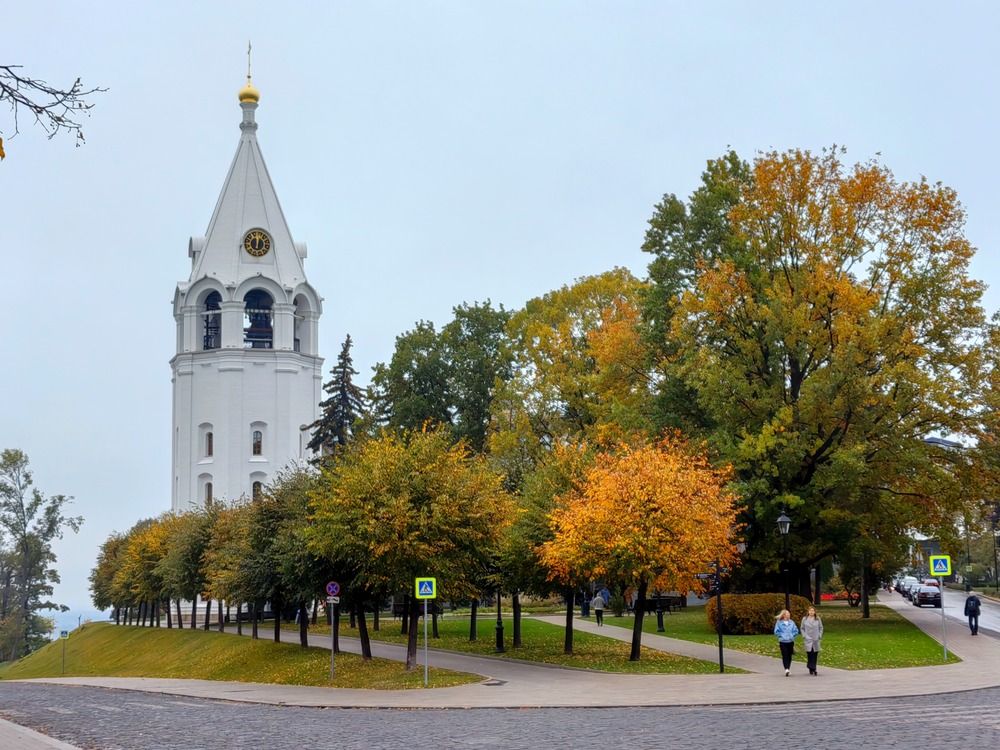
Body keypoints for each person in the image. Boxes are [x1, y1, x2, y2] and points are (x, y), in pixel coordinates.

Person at [773, 609, 799, 676]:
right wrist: (781, 636)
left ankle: (788, 668)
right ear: (784, 615)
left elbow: (796, 630)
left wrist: (792, 636)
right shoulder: (779, 622)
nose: (789, 615)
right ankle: (786, 669)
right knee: (785, 655)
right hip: (783, 642)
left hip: (790, 641)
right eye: (787, 613)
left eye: (789, 614)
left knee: (789, 655)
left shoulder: (792, 622)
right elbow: (776, 631)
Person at [800, 606, 824, 676]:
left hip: (815, 639)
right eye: (810, 611)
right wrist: (804, 635)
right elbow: (802, 628)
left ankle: (814, 668)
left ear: (815, 612)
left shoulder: (817, 619)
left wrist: (819, 635)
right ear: (808, 612)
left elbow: (821, 627)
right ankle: (810, 667)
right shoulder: (805, 619)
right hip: (808, 639)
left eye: (813, 611)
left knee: (815, 654)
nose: (811, 612)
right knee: (810, 654)